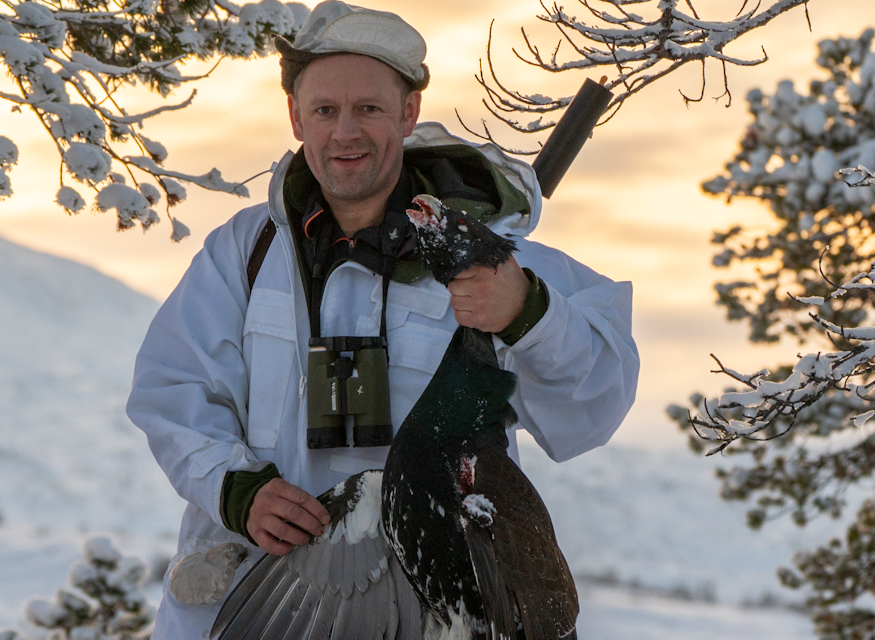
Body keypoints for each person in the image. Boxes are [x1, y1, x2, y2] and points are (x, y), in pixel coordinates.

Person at [126, 2, 639, 637]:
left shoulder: (487, 254)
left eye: (368, 108)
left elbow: (595, 404)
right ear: (295, 118)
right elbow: (172, 389)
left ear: (408, 112)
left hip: (435, 610)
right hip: (264, 604)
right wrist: (236, 488)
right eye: (325, 110)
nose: (346, 132)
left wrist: (527, 313)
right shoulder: (245, 254)